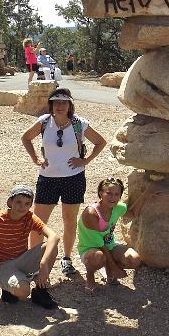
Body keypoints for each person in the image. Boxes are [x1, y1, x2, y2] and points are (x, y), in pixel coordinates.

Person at [21, 88, 108, 276]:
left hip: (73, 178)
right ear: (51, 105)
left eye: (64, 103)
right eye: (56, 103)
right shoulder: (44, 122)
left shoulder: (80, 124)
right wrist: (36, 158)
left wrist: (85, 160)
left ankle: (67, 258)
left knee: (69, 220)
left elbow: (101, 142)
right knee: (37, 222)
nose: (60, 106)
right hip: (48, 178)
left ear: (70, 105)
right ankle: (32, 261)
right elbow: (26, 138)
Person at [0, 184, 60, 309]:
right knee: (23, 292)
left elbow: (54, 237)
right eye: (18, 202)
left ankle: (40, 291)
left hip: (21, 259)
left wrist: (43, 264)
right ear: (10, 202)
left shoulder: (29, 217)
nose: (22, 207)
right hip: (2, 265)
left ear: (30, 206)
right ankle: (8, 287)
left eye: (27, 203)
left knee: (51, 247)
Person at [78, 177, 141, 294]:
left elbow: (132, 214)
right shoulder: (90, 213)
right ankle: (90, 277)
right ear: (100, 193)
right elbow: (100, 244)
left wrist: (148, 194)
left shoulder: (118, 208)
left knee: (134, 260)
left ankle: (109, 272)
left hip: (109, 245)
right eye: (109, 193)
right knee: (98, 257)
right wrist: (115, 267)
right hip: (90, 248)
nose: (113, 198)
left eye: (117, 194)